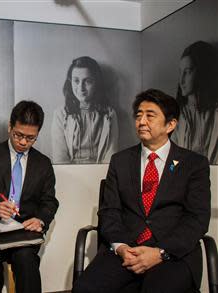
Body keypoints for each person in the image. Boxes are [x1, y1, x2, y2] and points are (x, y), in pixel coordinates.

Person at [72, 89, 211, 293]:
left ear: (171, 124)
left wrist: (160, 252)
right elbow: (110, 211)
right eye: (138, 115)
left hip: (172, 254)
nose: (141, 121)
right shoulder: (120, 161)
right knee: (85, 288)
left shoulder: (194, 164)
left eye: (150, 115)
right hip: (127, 250)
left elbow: (197, 219)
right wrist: (121, 247)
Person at [0, 100, 59, 293]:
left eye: (31, 138)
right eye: (18, 135)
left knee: (26, 259)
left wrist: (40, 219)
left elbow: (49, 201)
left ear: (37, 134)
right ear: (10, 127)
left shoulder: (43, 164)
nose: (23, 142)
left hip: (24, 229)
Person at [51, 56, 118, 164]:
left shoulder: (109, 115)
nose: (81, 87)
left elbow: (110, 156)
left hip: (101, 174)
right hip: (69, 175)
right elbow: (60, 159)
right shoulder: (61, 114)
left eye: (87, 81)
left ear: (96, 83)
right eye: (76, 81)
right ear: (70, 82)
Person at [172, 40, 218, 164]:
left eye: (187, 72)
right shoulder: (178, 116)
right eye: (180, 72)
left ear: (202, 72)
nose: (181, 80)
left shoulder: (214, 114)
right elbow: (173, 161)